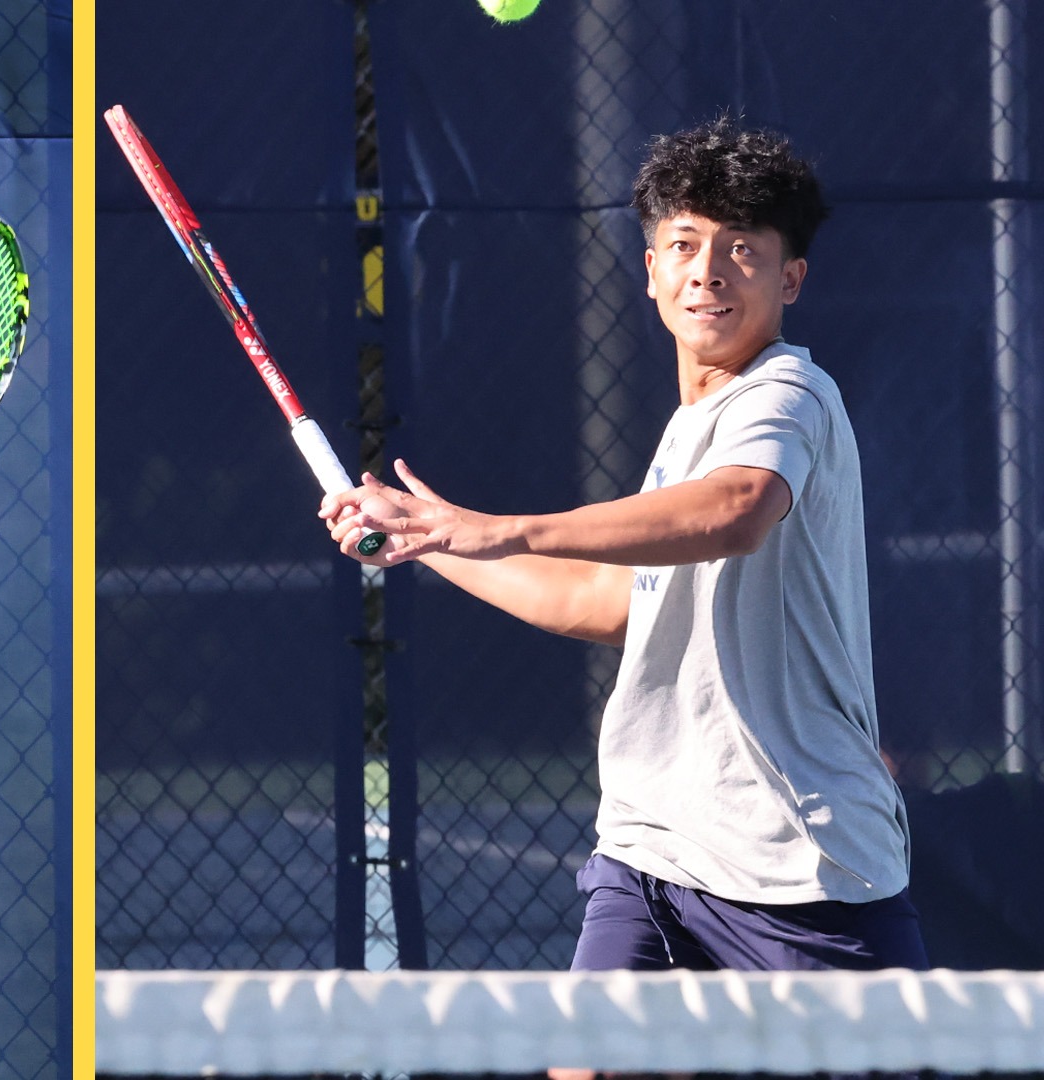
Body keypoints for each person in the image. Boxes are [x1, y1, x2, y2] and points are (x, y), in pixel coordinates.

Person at [322, 117, 927, 984]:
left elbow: (737, 510)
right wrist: (429, 540)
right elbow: (609, 604)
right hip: (651, 852)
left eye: (741, 248)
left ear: (791, 276)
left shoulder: (789, 393)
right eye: (683, 244)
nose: (708, 270)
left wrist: (501, 527)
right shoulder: (687, 432)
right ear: (652, 272)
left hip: (799, 864)